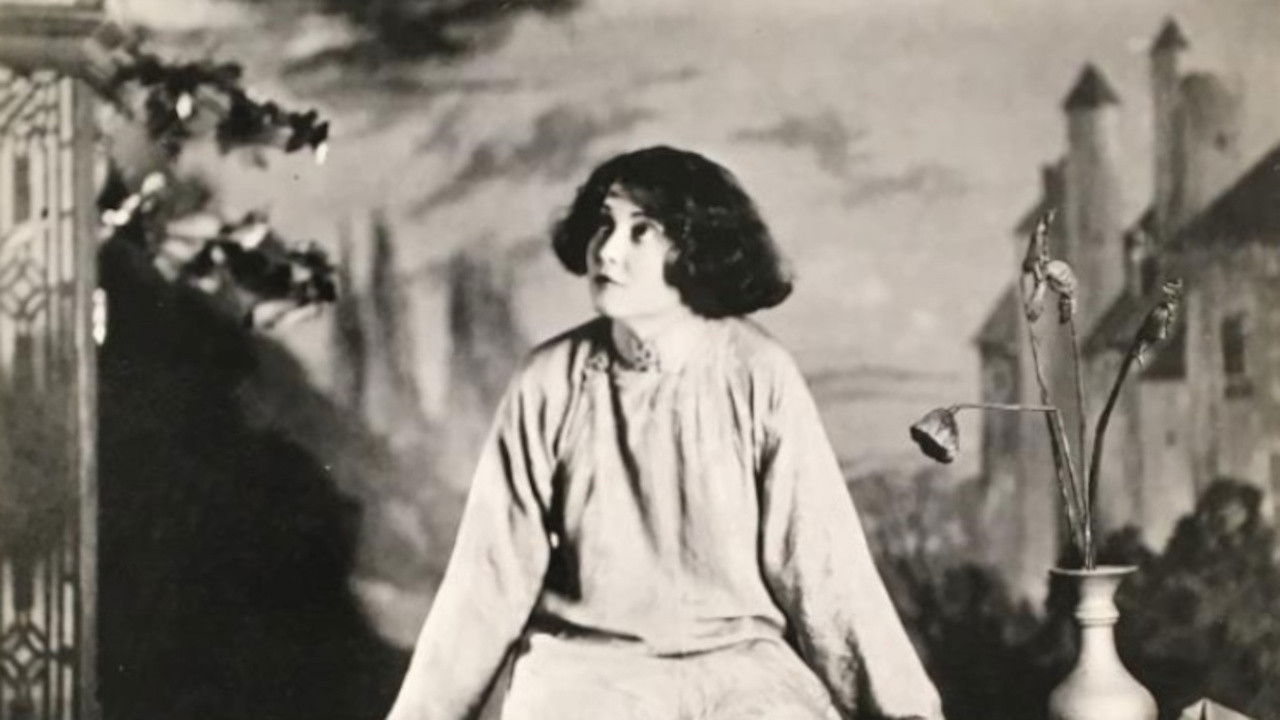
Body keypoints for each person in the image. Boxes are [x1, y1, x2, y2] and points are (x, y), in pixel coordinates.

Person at [384, 146, 943, 720]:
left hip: (738, 669)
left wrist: (905, 714)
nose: (608, 250)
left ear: (695, 248)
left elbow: (824, 569)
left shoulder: (759, 373)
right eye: (604, 224)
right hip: (586, 671)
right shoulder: (548, 381)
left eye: (641, 230)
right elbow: (486, 581)